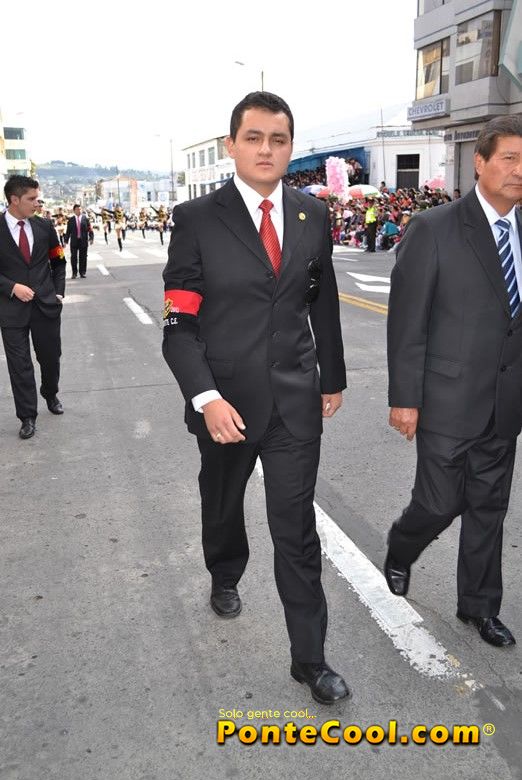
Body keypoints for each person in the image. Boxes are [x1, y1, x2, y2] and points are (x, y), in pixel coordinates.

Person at [162, 91, 350, 704]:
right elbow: (178, 326)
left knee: (296, 530)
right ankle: (224, 571)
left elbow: (321, 300)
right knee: (222, 504)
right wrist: (206, 397)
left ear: (291, 147)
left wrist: (331, 376)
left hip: (294, 400)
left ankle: (309, 659)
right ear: (232, 145)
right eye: (254, 138)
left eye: (278, 139)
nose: (266, 149)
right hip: (227, 405)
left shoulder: (312, 215)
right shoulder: (196, 219)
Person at [384, 115, 522, 648]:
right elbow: (407, 321)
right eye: (508, 158)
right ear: (479, 162)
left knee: (490, 508)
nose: (518, 170)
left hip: (505, 402)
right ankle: (402, 545)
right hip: (446, 399)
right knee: (440, 504)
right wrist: (405, 399)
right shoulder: (435, 227)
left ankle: (480, 607)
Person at [0, 175, 66, 439]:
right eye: (32, 198)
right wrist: (11, 287)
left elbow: (58, 261)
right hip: (11, 309)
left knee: (50, 358)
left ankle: (50, 393)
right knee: (20, 365)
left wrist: (58, 292)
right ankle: (27, 416)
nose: (38, 203)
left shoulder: (44, 226)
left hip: (46, 306)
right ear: (14, 200)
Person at [64, 204, 93, 278]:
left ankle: (82, 272)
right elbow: (68, 231)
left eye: (80, 209)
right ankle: (74, 273)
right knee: (73, 257)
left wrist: (91, 238)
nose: (79, 211)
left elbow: (90, 229)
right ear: (74, 211)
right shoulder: (71, 220)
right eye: (77, 209)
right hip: (74, 241)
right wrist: (66, 241)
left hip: (83, 241)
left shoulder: (85, 219)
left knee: (83, 257)